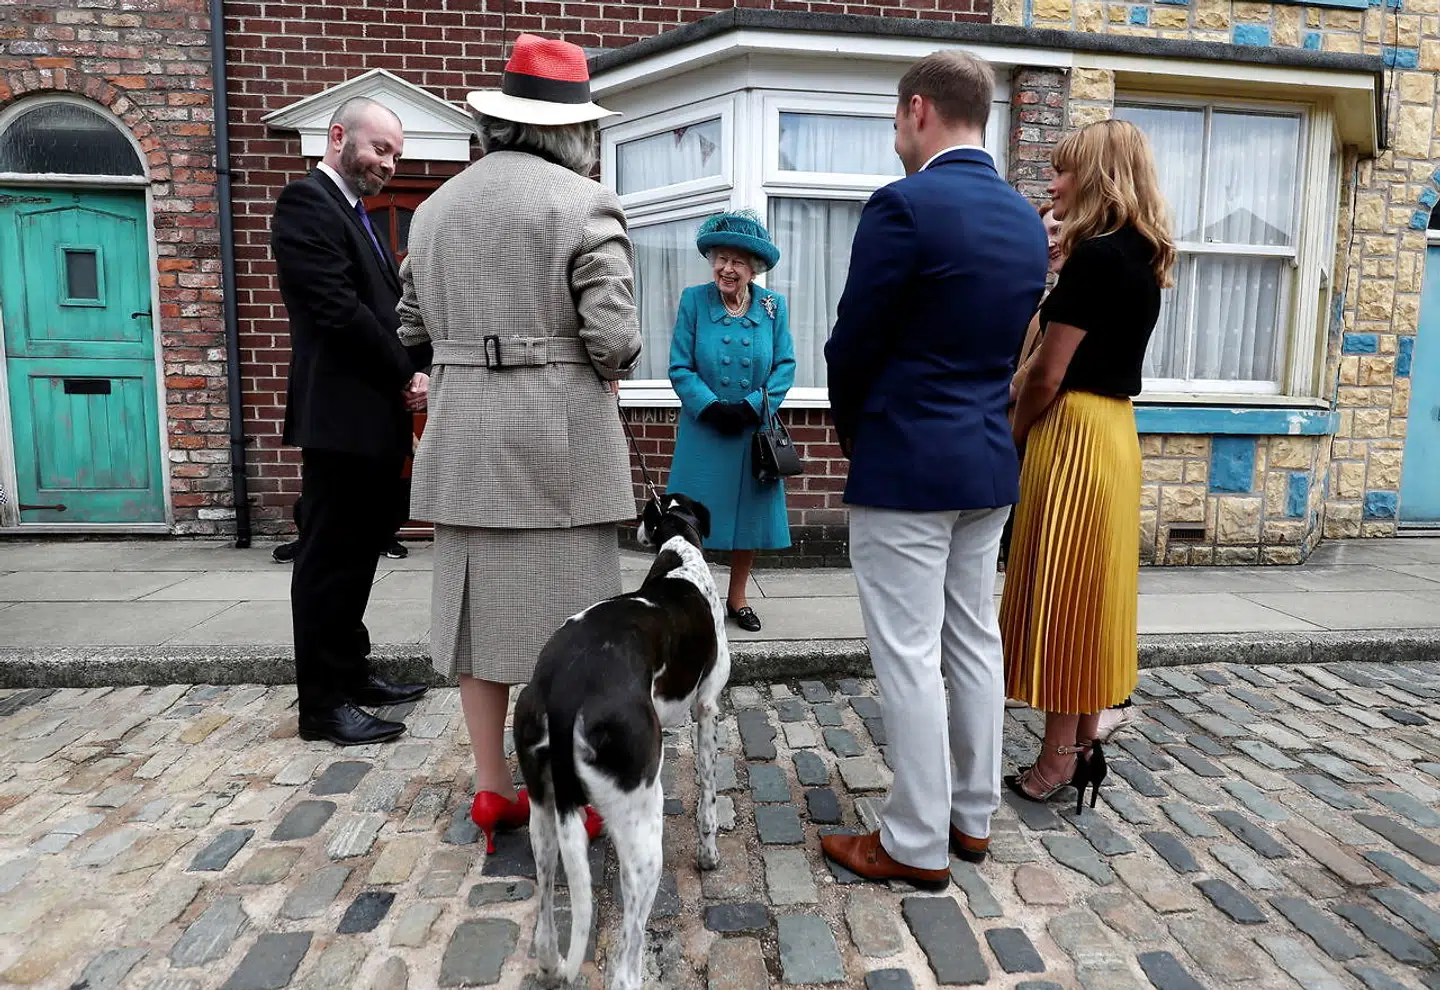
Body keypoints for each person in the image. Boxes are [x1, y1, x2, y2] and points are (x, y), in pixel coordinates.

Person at [396, 34, 643, 850]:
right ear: (574, 130)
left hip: (465, 434)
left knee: (476, 626)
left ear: (501, 120)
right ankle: (565, 794)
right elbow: (613, 337)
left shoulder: (433, 210)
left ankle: (493, 790)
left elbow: (411, 329)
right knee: (572, 627)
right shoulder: (584, 203)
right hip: (559, 444)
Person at [819, 51, 1048, 887]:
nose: (894, 139)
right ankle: (972, 817)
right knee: (973, 644)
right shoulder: (1027, 220)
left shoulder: (905, 206)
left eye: (893, 122)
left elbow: (853, 343)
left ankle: (914, 842)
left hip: (909, 462)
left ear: (918, 109)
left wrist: (856, 432)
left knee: (911, 654)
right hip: (987, 462)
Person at [1000, 118, 1174, 809]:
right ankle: (1072, 748)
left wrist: (1012, 437)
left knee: (1065, 603)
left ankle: (1058, 760)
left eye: (1065, 171)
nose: (1053, 182)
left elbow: (1046, 375)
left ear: (1098, 176)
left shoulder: (1097, 257)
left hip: (1071, 432)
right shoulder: (1144, 255)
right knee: (1084, 605)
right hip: (1113, 434)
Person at [272, 97, 432, 747]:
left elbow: (385, 306)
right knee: (329, 563)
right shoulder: (306, 203)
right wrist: (406, 371)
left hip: (371, 422)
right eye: (380, 149)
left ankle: (353, 672)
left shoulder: (354, 212)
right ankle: (322, 705)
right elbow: (339, 311)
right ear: (339, 138)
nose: (389, 164)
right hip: (340, 419)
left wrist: (420, 364)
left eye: (395, 153)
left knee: (360, 553)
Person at [666, 212, 796, 632]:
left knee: (748, 519)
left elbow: (785, 366)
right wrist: (709, 405)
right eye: (721, 258)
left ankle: (737, 598)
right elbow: (680, 366)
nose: (728, 268)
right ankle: (694, 599)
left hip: (751, 432)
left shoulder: (773, 308)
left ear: (753, 267)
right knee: (693, 519)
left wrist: (755, 405)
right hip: (704, 430)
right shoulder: (694, 300)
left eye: (738, 261)